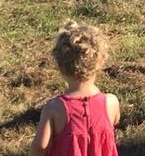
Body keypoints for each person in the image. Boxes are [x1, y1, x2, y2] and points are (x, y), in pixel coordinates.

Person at [31, 21, 120, 156]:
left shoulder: (54, 108)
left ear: (60, 67)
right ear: (100, 63)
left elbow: (40, 148)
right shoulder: (111, 102)